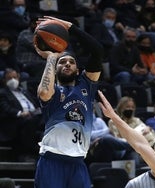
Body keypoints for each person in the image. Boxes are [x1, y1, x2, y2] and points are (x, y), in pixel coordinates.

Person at [33, 16, 103, 188]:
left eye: (71, 62)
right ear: (55, 70)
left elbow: (97, 51)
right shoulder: (53, 91)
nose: (67, 64)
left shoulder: (87, 86)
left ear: (77, 69)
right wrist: (51, 57)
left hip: (78, 163)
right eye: (62, 62)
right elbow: (43, 92)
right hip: (52, 160)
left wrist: (69, 27)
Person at [0, 68, 43, 161]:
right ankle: (32, 151)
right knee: (31, 122)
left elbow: (36, 103)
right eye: (9, 78)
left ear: (19, 77)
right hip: (17, 120)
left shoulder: (25, 91)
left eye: (14, 77)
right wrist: (20, 113)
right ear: (4, 80)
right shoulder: (2, 93)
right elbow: (5, 108)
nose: (12, 80)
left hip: (35, 116)